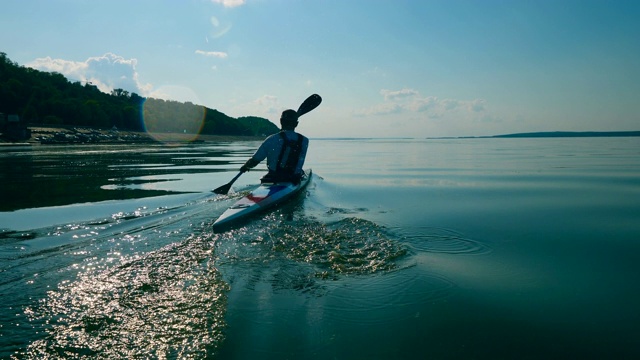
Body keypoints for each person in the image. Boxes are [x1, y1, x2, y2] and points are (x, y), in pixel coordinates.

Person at [239, 109, 309, 184]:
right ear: (296, 124)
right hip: (294, 179)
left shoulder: (271, 139)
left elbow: (254, 161)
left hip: (273, 178)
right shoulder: (304, 140)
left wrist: (245, 167)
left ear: (281, 121)